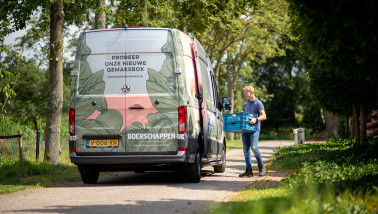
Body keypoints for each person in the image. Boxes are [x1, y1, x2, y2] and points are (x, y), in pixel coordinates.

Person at [239, 85, 267, 177]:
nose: (245, 94)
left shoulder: (258, 103)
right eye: (244, 93)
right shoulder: (245, 105)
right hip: (245, 130)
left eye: (246, 92)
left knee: (254, 147)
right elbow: (244, 116)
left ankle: (261, 166)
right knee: (245, 150)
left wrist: (255, 119)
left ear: (252, 92)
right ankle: (249, 170)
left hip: (254, 130)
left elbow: (264, 116)